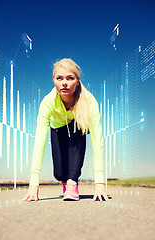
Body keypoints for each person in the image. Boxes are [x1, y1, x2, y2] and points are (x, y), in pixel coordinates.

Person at [22, 58, 108, 202]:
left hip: (77, 125)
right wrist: (33, 184)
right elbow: (39, 142)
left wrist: (99, 183)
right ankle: (65, 181)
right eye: (59, 78)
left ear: (78, 81)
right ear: (53, 80)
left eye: (70, 78)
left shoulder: (89, 101)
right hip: (57, 128)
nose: (64, 83)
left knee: (79, 129)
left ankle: (72, 183)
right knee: (59, 173)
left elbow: (97, 141)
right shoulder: (47, 102)